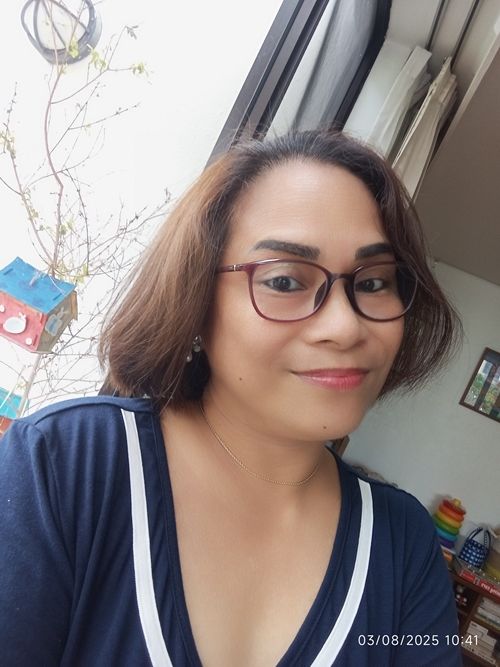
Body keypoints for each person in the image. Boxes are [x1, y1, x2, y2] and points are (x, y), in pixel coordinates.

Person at [0, 130, 463, 666]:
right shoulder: (66, 464)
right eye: (285, 281)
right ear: (196, 299)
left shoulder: (402, 544)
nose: (345, 326)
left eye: (374, 283)